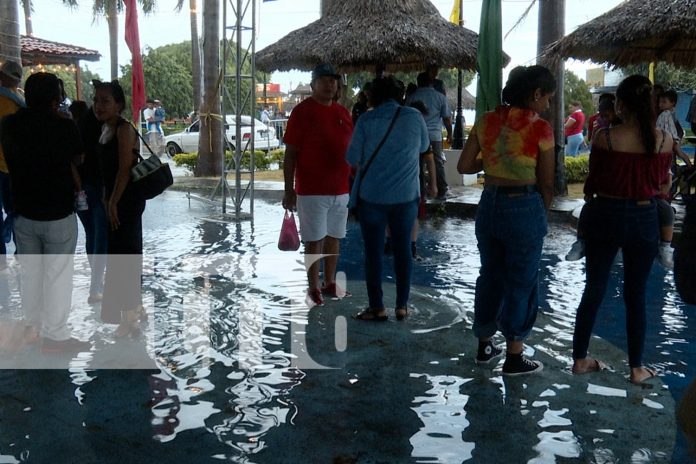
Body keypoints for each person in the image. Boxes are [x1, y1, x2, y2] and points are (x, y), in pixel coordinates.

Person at [571, 75, 672, 385]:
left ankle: (580, 360)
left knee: (594, 289)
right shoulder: (665, 141)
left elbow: (594, 182)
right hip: (644, 218)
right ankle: (636, 368)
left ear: (621, 105)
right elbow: (664, 186)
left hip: (605, 215)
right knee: (636, 294)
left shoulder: (605, 138)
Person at [457, 65, 556, 376]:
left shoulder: (486, 120)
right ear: (535, 94)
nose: (548, 105)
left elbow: (463, 165)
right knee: (521, 280)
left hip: (490, 204)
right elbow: (547, 182)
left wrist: (495, 157)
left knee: (490, 275)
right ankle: (514, 356)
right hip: (524, 204)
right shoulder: (541, 128)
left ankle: (485, 346)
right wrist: (544, 210)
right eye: (547, 98)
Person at [0, 72, 90, 352]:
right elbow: (78, 158)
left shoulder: (9, 125)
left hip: (24, 213)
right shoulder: (63, 126)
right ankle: (56, 336)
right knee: (57, 276)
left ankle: (34, 329)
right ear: (55, 98)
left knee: (30, 274)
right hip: (58, 214)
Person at [346, 75, 429, 321]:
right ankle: (402, 306)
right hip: (405, 197)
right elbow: (424, 148)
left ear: (373, 96)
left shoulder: (366, 120)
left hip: (372, 196)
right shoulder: (414, 117)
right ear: (400, 96)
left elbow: (351, 158)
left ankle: (377, 307)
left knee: (373, 253)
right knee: (403, 250)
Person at [281, 63, 354, 307]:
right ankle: (313, 287)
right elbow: (290, 153)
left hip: (340, 188)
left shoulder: (343, 113)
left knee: (335, 237)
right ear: (313, 84)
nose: (329, 83)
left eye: (333, 80)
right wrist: (289, 189)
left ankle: (330, 282)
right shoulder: (302, 112)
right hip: (312, 190)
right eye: (324, 79)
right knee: (315, 239)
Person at [92, 80, 147, 337]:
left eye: (105, 100)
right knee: (120, 257)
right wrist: (107, 199)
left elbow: (125, 169)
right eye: (96, 100)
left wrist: (113, 201)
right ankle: (133, 309)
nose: (98, 105)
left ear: (119, 105)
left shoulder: (124, 129)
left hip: (126, 201)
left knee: (128, 257)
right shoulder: (105, 129)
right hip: (113, 200)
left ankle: (131, 319)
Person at [653, 89, 692, 268]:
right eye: (660, 102)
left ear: (672, 103)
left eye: (665, 102)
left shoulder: (665, 115)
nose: (662, 105)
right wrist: (685, 158)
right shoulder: (667, 115)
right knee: (669, 183)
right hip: (667, 155)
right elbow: (672, 142)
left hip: (665, 154)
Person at [74, 103, 108, 304]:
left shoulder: (75, 135)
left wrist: (78, 187)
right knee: (100, 240)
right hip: (97, 189)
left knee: (91, 236)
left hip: (81, 192)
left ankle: (96, 284)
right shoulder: (100, 132)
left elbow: (73, 163)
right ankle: (95, 287)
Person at [405, 72, 452, 200]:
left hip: (416, 135)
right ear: (431, 82)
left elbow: (406, 116)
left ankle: (421, 192)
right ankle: (441, 190)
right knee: (438, 162)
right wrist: (450, 134)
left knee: (418, 163)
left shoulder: (412, 97)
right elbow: (447, 118)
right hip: (434, 135)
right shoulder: (440, 97)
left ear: (418, 82)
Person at [0, 60, 25, 268]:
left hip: (9, 166)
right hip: (13, 165)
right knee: (16, 211)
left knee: (14, 211)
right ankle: (20, 252)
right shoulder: (19, 102)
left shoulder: (18, 101)